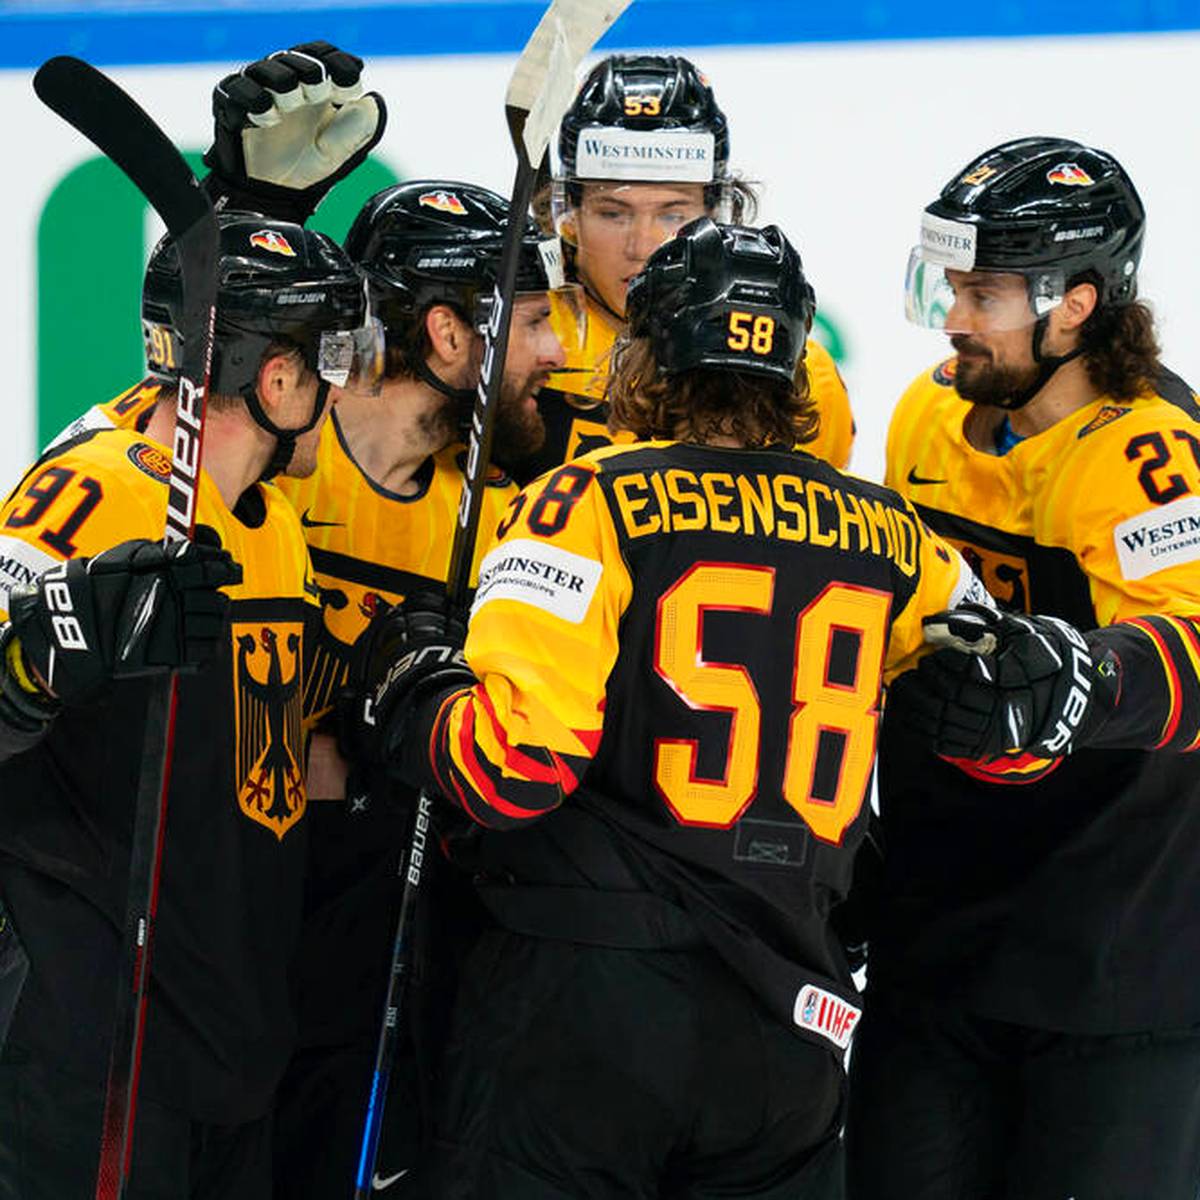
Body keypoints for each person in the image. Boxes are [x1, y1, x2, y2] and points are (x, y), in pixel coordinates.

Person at [341, 216, 992, 1199]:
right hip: (788, 1029)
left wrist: (411, 687)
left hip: (581, 1016)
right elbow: (1004, 718)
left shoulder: (583, 504)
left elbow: (511, 768)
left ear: (645, 358)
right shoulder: (897, 538)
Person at [846, 137, 1200, 1200]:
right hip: (933, 952)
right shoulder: (928, 414)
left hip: (1111, 974)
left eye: (985, 292)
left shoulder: (1149, 454)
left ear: (1079, 303)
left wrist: (1089, 677)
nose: (954, 316)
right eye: (951, 284)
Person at [0, 212, 380, 1198]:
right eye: (328, 357)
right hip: (96, 1037)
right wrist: (57, 642)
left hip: (229, 1029)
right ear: (278, 380)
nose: (343, 385)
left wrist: (385, 675)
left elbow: (259, 745)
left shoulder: (272, 525)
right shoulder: (92, 493)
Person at [269, 179, 580, 1200]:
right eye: (532, 323)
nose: (558, 353)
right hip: (241, 905)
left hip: (402, 923)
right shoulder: (278, 461)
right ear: (449, 334)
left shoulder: (507, 512)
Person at [526, 51, 857, 479]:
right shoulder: (517, 344)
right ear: (567, 214)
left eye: (672, 214)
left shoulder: (795, 367)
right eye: (613, 213)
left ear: (715, 212)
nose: (642, 246)